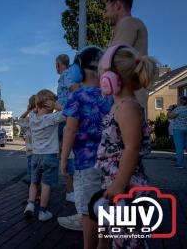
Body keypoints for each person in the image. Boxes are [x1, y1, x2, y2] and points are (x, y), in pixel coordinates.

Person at [96, 44, 158, 248]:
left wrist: (119, 185)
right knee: (119, 239)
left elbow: (131, 149)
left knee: (129, 242)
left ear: (112, 78)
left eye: (103, 73)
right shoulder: (119, 106)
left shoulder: (128, 108)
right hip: (119, 185)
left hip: (128, 188)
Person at [59, 46, 113, 248]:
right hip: (110, 165)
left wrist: (64, 160)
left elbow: (70, 130)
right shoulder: (110, 95)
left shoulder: (77, 97)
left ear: (80, 69)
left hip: (86, 163)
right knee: (107, 209)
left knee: (89, 211)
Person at [23, 89, 65, 221]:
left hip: (35, 156)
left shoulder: (33, 119)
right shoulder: (52, 118)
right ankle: (43, 212)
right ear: (50, 105)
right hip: (49, 156)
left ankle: (30, 205)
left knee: (34, 183)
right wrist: (58, 107)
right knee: (46, 184)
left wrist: (34, 110)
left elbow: (23, 119)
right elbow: (69, 114)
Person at [105, 0, 149, 115]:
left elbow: (112, 59)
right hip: (129, 98)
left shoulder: (128, 23)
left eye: (106, 10)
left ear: (117, 6)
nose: (105, 15)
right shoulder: (130, 24)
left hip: (128, 100)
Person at [56, 54, 83, 205]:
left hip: (66, 117)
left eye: (56, 64)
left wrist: (66, 108)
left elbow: (74, 90)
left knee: (67, 154)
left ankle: (71, 191)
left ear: (59, 64)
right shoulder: (66, 76)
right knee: (65, 153)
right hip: (65, 115)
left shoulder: (66, 75)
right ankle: (71, 190)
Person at [19, 95, 37, 185]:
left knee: (31, 167)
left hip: (30, 149)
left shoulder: (30, 119)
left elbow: (20, 120)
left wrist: (27, 111)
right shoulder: (44, 116)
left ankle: (31, 182)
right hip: (41, 149)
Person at [168, 96, 187, 169]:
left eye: (178, 100)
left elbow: (170, 117)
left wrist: (170, 109)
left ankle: (179, 164)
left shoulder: (178, 109)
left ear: (182, 101)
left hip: (178, 129)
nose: (177, 102)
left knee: (179, 147)